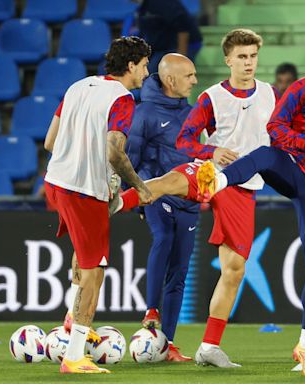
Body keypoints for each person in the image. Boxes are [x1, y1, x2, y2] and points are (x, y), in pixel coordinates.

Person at [185, 25, 305, 377]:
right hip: (293, 168)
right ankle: (217, 180)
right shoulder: (301, 89)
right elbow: (277, 130)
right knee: (264, 154)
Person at [112, 28, 280, 367]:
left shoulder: (271, 95)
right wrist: (212, 151)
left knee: (234, 269)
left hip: (244, 188)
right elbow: (186, 143)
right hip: (211, 174)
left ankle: (208, 347)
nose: (249, 63)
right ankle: (112, 204)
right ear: (228, 60)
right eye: (242, 57)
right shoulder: (210, 98)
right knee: (167, 182)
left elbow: (284, 135)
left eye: (253, 56)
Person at [43, 36, 152, 374]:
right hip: (82, 192)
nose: (147, 73)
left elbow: (50, 142)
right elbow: (114, 152)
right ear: (131, 65)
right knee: (96, 272)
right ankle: (74, 355)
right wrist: (139, 186)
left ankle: (68, 318)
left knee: (84, 252)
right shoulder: (122, 98)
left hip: (56, 182)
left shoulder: (78, 86)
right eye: (145, 65)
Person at [125, 53, 199, 362]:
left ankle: (167, 344)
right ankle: (151, 310)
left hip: (189, 199)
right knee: (163, 239)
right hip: (155, 193)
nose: (195, 80)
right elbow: (130, 157)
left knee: (180, 270)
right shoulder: (144, 113)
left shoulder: (194, 114)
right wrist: (139, 195)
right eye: (189, 76)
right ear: (170, 80)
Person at [135, 0, 203, 73]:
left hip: (183, 45)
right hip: (161, 48)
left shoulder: (163, 3)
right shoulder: (143, 7)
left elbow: (183, 25)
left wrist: (180, 58)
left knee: (152, 73)